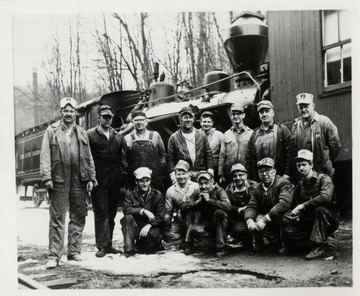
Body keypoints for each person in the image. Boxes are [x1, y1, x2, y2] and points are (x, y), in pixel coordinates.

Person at [40, 97, 96, 269]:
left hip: (79, 179)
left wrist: (92, 177)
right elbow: (45, 156)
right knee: (57, 218)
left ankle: (74, 252)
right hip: (59, 180)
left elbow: (88, 157)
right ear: (61, 112)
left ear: (75, 113)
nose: (69, 114)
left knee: (78, 216)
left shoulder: (82, 132)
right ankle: (54, 255)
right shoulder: (52, 131)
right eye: (66, 110)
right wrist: (47, 177)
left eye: (72, 111)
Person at [280, 150, 340, 259]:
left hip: (329, 219)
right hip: (310, 221)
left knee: (320, 210)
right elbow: (296, 204)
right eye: (298, 165)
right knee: (289, 230)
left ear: (311, 165)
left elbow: (325, 197)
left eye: (304, 165)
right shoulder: (300, 185)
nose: (301, 168)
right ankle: (312, 243)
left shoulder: (324, 179)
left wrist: (302, 206)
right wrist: (296, 216)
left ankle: (318, 247)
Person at [87, 105, 124, 258]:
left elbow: (122, 158)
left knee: (111, 213)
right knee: (101, 213)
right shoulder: (90, 135)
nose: (107, 120)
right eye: (104, 117)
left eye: (110, 117)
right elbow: (87, 158)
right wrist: (91, 177)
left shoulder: (117, 136)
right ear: (99, 118)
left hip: (114, 182)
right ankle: (101, 246)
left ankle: (108, 245)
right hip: (98, 182)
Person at [244, 158, 293, 253]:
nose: (264, 174)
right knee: (257, 218)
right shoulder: (257, 187)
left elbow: (284, 203)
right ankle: (275, 243)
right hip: (270, 217)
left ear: (274, 172)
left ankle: (287, 245)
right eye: (261, 171)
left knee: (285, 218)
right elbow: (252, 206)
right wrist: (249, 221)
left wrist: (265, 219)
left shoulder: (283, 183)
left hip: (282, 215)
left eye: (267, 171)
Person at [179, 171, 231, 257]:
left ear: (212, 182)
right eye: (201, 184)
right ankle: (189, 243)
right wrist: (196, 203)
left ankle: (222, 247)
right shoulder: (197, 192)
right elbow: (183, 207)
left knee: (220, 213)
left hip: (220, 225)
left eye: (206, 183)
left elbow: (228, 206)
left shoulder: (219, 191)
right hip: (205, 225)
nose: (203, 186)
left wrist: (210, 201)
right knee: (192, 214)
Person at [291, 93, 341, 180]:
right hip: (304, 174)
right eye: (300, 107)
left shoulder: (324, 122)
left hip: (322, 172)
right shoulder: (296, 126)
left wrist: (324, 161)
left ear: (313, 105)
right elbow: (295, 149)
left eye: (306, 106)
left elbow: (335, 146)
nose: (303, 109)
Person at [120, 167, 165, 257]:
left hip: (152, 226)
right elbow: (126, 209)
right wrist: (143, 211)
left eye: (147, 180)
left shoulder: (157, 194)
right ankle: (129, 249)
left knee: (149, 248)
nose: (145, 184)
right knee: (127, 218)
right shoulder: (130, 193)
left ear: (150, 181)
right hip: (136, 225)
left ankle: (145, 243)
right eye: (141, 181)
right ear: (136, 182)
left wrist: (149, 225)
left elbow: (160, 216)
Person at [121, 110, 167, 192]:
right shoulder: (127, 138)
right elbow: (123, 158)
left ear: (146, 121)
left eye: (142, 120)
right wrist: (129, 170)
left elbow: (163, 153)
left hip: (154, 177)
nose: (139, 122)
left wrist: (160, 168)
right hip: (135, 178)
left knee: (156, 199)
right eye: (136, 120)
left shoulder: (155, 135)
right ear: (132, 122)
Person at [246, 100, 292, 182]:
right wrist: (251, 178)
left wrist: (287, 174)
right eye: (261, 112)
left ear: (273, 113)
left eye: (267, 111)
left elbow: (290, 154)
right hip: (260, 178)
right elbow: (250, 158)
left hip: (279, 177)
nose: (264, 114)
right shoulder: (254, 134)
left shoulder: (282, 130)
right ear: (259, 115)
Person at [167, 106, 214, 183]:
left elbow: (208, 154)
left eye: (190, 117)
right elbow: (170, 159)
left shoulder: (201, 135)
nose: (188, 120)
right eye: (185, 117)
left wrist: (210, 169)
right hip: (183, 175)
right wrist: (173, 175)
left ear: (193, 119)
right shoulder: (174, 138)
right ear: (180, 119)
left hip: (200, 172)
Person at [162, 160, 199, 249]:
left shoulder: (196, 187)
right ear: (175, 175)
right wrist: (166, 223)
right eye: (178, 174)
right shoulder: (171, 190)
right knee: (167, 235)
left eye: (184, 173)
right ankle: (186, 240)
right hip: (180, 220)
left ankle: (188, 240)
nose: (181, 176)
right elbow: (168, 211)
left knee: (199, 230)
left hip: (195, 219)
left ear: (189, 173)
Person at [225, 163, 257, 254]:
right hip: (238, 217)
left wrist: (249, 207)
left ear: (246, 175)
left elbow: (259, 201)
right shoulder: (229, 189)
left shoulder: (254, 186)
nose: (238, 178)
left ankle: (255, 244)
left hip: (253, 214)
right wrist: (237, 209)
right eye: (235, 176)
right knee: (237, 229)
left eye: (241, 175)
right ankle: (242, 241)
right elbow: (226, 204)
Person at [218, 103, 253, 186]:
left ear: (243, 115)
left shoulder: (251, 133)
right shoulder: (226, 134)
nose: (236, 116)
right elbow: (222, 156)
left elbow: (253, 156)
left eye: (239, 114)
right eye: (233, 114)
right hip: (230, 174)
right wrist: (221, 174)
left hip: (246, 174)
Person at [200, 111, 224, 181]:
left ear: (212, 123)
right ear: (200, 123)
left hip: (215, 169)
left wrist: (221, 173)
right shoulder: (196, 135)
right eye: (204, 122)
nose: (206, 124)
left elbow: (223, 155)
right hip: (202, 169)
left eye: (208, 122)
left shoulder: (219, 135)